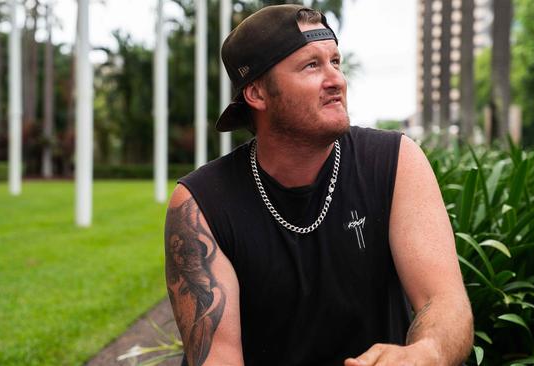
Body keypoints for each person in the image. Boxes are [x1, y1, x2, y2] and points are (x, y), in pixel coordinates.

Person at [164, 4, 473, 366]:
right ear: (258, 94)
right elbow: (218, 359)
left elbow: (445, 302)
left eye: (335, 62)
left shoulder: (395, 161)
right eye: (312, 65)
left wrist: (425, 354)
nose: (336, 80)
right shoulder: (202, 203)